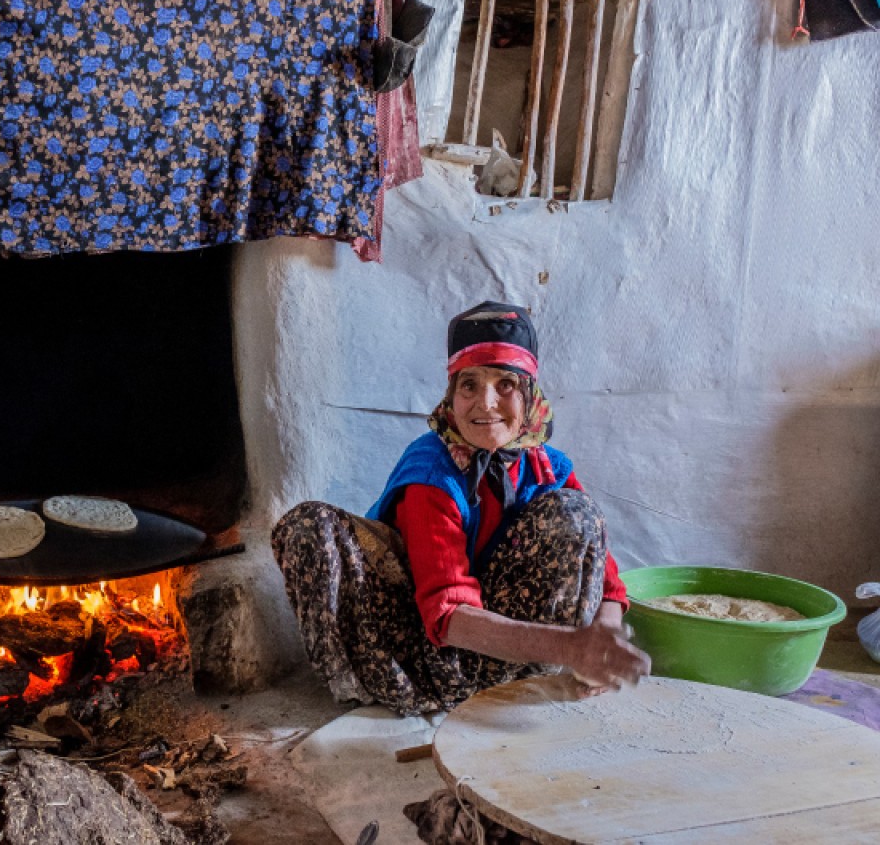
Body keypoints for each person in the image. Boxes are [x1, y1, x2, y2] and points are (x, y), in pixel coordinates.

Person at [272, 301, 650, 715]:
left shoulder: (545, 465)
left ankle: (526, 676)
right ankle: (415, 695)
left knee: (575, 514)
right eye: (468, 384)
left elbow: (608, 582)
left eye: (505, 383)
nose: (485, 404)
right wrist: (571, 647)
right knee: (309, 526)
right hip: (423, 657)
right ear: (451, 395)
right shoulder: (432, 472)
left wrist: (603, 644)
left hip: (506, 653)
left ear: (530, 396)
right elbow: (445, 612)